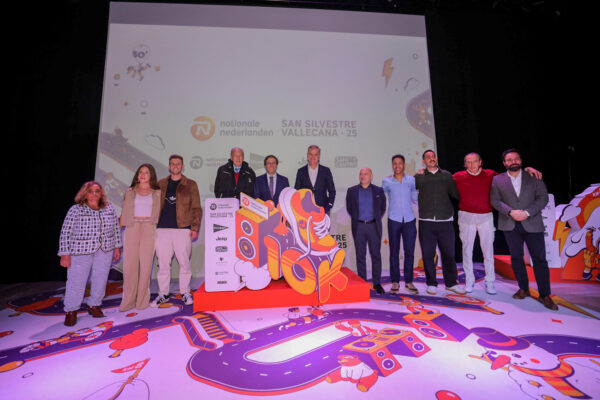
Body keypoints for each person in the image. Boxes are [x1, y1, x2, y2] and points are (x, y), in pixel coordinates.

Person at [453, 153, 542, 295]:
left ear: (480, 162)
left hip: (486, 216)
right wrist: (423, 171)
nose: (472, 165)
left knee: (488, 250)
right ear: (464, 164)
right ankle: (469, 281)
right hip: (466, 216)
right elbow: (442, 179)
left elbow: (510, 174)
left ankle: (490, 282)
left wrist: (526, 169)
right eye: (468, 162)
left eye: (475, 161)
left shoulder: (490, 175)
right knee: (467, 250)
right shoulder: (458, 176)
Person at [490, 148, 557, 310]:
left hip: (532, 222)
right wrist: (511, 212)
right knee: (516, 258)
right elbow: (495, 200)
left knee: (540, 260)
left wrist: (527, 213)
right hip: (509, 223)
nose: (513, 162)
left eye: (516, 159)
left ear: (520, 160)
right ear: (504, 163)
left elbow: (543, 198)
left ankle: (544, 294)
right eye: (509, 160)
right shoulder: (497, 180)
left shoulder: (533, 176)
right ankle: (524, 288)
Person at [58, 181, 122, 326]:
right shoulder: (76, 209)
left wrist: (117, 247)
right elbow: (65, 232)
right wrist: (65, 253)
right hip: (80, 251)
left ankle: (94, 305)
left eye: (97, 191)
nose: (94, 194)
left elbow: (116, 229)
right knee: (76, 281)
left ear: (101, 193)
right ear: (85, 193)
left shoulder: (109, 208)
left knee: (100, 279)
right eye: (90, 191)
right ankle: (71, 310)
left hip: (105, 250)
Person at [152, 155, 202, 307]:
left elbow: (196, 208)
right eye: (172, 164)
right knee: (163, 264)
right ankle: (163, 293)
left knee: (184, 264)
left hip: (182, 229)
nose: (175, 166)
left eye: (178, 164)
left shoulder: (191, 184)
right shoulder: (160, 184)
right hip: (162, 229)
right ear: (169, 166)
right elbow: (152, 205)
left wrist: (195, 227)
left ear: (182, 166)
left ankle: (185, 292)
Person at [415, 149, 466, 295]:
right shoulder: (419, 177)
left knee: (449, 254)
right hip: (426, 222)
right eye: (428, 157)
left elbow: (456, 194)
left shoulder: (446, 175)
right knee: (428, 254)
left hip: (445, 221)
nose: (431, 159)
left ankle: (451, 283)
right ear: (423, 161)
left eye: (433, 156)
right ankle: (431, 283)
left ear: (436, 159)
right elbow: (407, 189)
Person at [119, 164, 161, 311]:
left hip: (149, 228)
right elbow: (124, 212)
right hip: (132, 227)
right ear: (137, 175)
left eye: (146, 172)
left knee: (146, 266)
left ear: (151, 176)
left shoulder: (157, 193)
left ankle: (142, 301)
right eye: (141, 172)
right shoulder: (130, 192)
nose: (143, 175)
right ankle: (128, 301)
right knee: (129, 266)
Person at [346, 168, 387, 294]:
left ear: (371, 176)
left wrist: (374, 219)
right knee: (360, 256)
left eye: (365, 174)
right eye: (361, 174)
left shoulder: (378, 190)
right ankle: (362, 282)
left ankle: (377, 283)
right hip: (359, 227)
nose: (363, 176)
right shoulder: (352, 191)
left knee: (376, 255)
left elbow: (382, 208)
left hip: (373, 226)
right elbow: (350, 208)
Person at [383, 154, 419, 294]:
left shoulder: (411, 180)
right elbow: (380, 197)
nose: (397, 166)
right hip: (394, 220)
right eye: (395, 163)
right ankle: (395, 282)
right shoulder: (386, 181)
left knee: (409, 252)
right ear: (392, 165)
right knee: (394, 252)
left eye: (400, 163)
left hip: (409, 220)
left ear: (404, 165)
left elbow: (415, 197)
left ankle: (409, 281)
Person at [294, 144, 336, 214]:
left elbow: (332, 191)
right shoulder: (301, 171)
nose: (313, 157)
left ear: (319, 156)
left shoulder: (326, 171)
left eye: (315, 155)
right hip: (305, 211)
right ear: (307, 155)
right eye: (310, 154)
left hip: (323, 210)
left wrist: (329, 205)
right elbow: (297, 191)